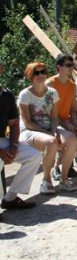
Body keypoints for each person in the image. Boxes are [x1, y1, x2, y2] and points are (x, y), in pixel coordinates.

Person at [18, 62, 77, 193]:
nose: (40, 75)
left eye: (43, 72)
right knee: (51, 142)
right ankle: (46, 181)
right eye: (36, 73)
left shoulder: (52, 93)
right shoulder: (25, 94)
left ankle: (64, 179)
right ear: (30, 76)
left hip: (48, 128)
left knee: (72, 138)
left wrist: (53, 130)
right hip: (30, 131)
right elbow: (27, 122)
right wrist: (50, 134)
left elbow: (55, 117)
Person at [0, 59, 42, 209]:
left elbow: (14, 124)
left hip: (2, 140)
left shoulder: (6, 95)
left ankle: (10, 198)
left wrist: (14, 145)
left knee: (34, 156)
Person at [47, 54, 77, 177]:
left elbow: (73, 110)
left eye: (72, 65)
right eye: (68, 65)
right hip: (51, 122)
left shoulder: (72, 86)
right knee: (71, 139)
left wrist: (75, 123)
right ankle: (59, 167)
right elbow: (48, 112)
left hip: (67, 122)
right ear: (59, 67)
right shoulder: (50, 84)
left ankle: (64, 160)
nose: (71, 68)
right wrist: (67, 126)